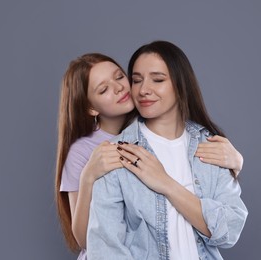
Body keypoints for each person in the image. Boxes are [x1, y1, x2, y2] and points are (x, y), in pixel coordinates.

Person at [55, 53, 244, 259]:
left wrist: (236, 161)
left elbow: (228, 225)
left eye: (120, 77)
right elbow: (87, 241)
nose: (119, 88)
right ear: (91, 107)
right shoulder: (93, 151)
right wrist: (88, 176)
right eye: (104, 89)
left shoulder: (157, 118)